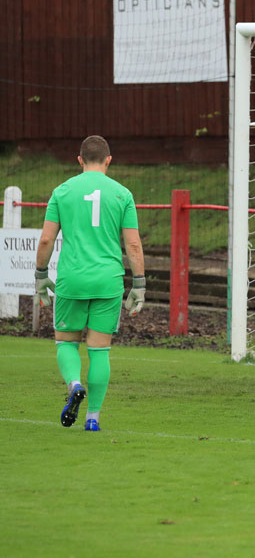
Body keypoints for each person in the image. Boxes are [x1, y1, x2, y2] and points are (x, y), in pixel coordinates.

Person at [34, 135, 146, 432]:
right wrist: (140, 284)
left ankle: (73, 384)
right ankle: (93, 418)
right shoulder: (123, 194)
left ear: (79, 160)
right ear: (109, 160)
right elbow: (133, 245)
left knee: (66, 341)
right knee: (99, 350)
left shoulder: (62, 191)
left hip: (72, 279)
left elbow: (46, 238)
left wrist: (40, 275)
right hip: (107, 281)